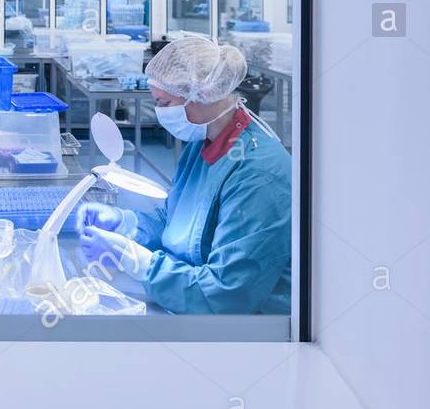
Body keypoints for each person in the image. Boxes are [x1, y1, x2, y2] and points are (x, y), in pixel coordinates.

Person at [76, 34, 291, 314]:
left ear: (202, 95)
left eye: (164, 103)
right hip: (192, 303)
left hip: (251, 328)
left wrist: (136, 261)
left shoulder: (259, 175)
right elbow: (176, 218)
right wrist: (125, 224)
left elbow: (227, 295)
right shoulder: (203, 144)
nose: (160, 113)